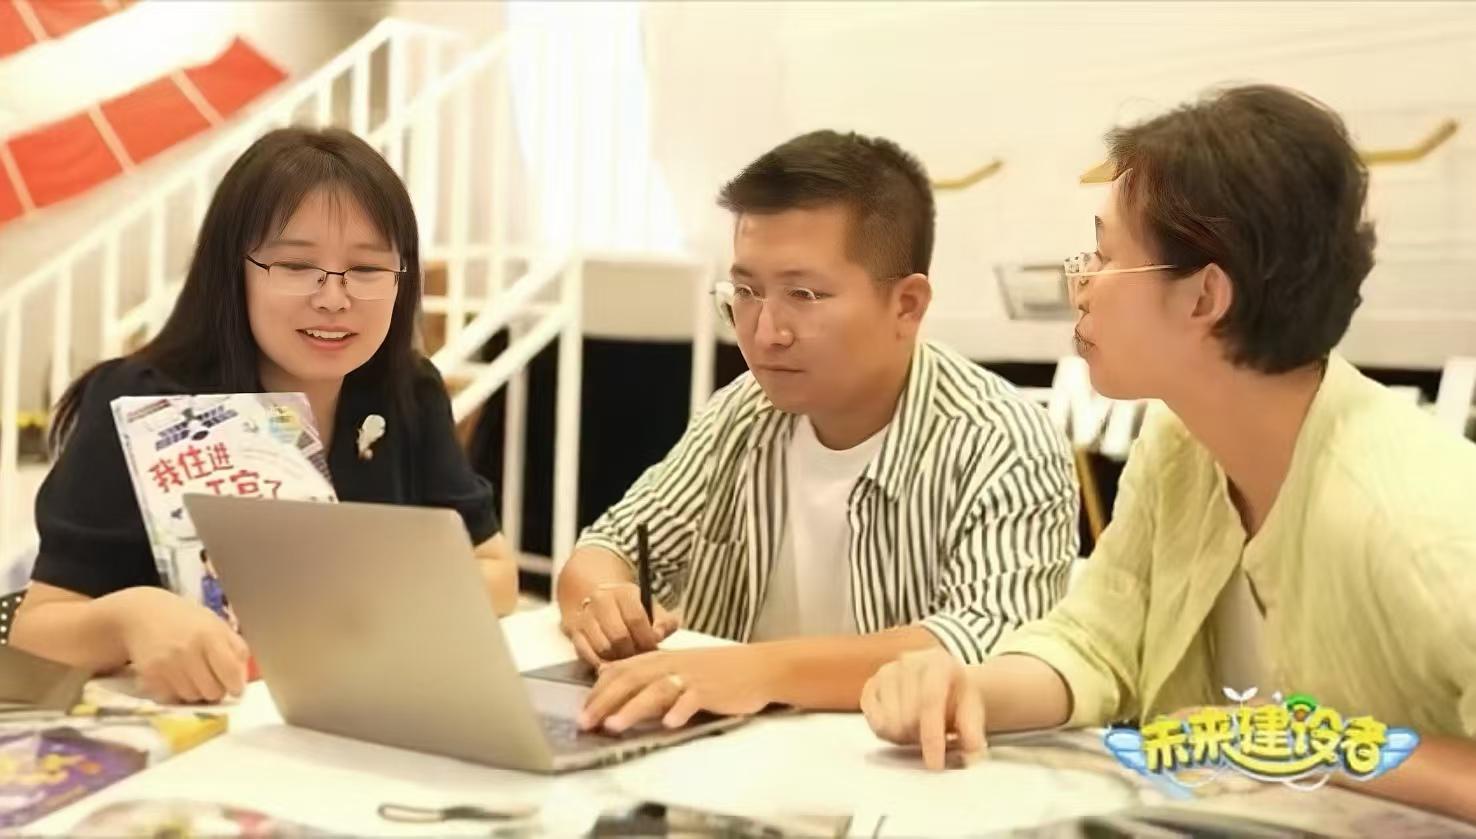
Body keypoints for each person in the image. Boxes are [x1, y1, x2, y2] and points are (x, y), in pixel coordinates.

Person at [860, 85, 1476, 822]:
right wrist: (967, 688)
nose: (1080, 284)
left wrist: (1308, 743)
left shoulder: (1416, 518)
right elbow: (1100, 639)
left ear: (1204, 297)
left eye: (1105, 255)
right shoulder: (1180, 443)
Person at [560, 130, 1080, 734]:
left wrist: (755, 672)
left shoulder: (1003, 441)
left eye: (804, 294)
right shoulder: (744, 412)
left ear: (907, 305)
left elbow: (985, 644)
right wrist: (604, 603)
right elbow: (608, 547)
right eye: (746, 292)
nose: (765, 332)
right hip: (726, 760)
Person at [13, 127, 519, 704]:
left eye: (367, 269)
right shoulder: (142, 404)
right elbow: (36, 629)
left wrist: (372, 600)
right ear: (235, 272)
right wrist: (131, 617)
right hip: (193, 731)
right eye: (296, 265)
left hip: (361, 716)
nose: (334, 298)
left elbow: (495, 571)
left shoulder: (406, 391)